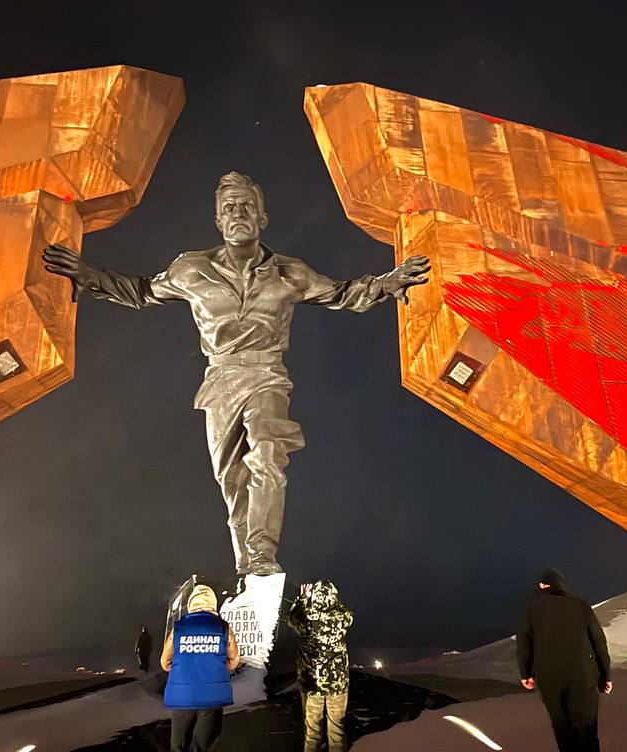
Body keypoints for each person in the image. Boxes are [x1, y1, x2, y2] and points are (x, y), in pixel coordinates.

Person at [43, 172, 430, 577]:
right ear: (218, 220)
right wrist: (88, 276)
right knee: (231, 480)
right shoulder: (191, 270)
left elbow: (342, 293)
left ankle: (262, 554)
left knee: (267, 451)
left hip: (267, 374)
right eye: (229, 208)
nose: (238, 214)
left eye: (247, 206)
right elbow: (141, 292)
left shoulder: (289, 273)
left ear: (263, 218)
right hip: (221, 381)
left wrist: (387, 283)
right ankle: (248, 567)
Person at [516, 568, 612, 752]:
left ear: (543, 586)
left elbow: (525, 642)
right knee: (586, 731)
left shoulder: (533, 608)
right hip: (583, 676)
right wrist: (605, 675)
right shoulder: (580, 605)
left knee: (563, 727)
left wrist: (526, 673)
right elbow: (598, 640)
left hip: (550, 678)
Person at [160, 584, 239, 752]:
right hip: (211, 698)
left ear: (192, 604)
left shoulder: (179, 628)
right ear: (213, 604)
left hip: (182, 698)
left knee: (178, 749)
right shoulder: (223, 627)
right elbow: (234, 661)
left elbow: (165, 662)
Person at [289, 580, 354, 752]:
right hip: (338, 686)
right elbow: (345, 610)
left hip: (312, 686)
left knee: (312, 734)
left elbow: (292, 617)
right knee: (337, 733)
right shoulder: (343, 617)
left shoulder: (305, 618)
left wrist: (303, 598)